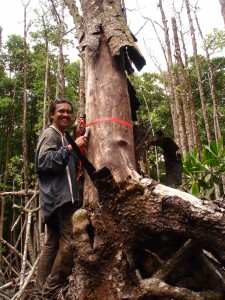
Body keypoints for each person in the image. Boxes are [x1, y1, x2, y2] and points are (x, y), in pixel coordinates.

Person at [35, 99, 88, 299]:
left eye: (68, 112)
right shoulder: (50, 134)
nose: (65, 115)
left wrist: (74, 140)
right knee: (69, 243)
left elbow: (68, 165)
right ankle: (50, 290)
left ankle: (41, 291)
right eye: (61, 112)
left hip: (57, 198)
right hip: (59, 200)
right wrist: (70, 148)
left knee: (52, 244)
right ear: (52, 115)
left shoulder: (63, 136)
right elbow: (43, 163)